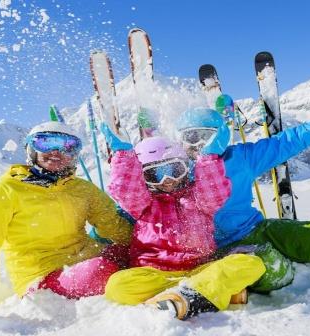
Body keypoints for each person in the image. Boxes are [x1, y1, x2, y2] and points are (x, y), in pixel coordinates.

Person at [174, 97, 310, 298]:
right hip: (220, 249)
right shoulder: (175, 171)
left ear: (218, 135)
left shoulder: (241, 157)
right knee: (275, 268)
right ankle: (235, 280)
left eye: (199, 136)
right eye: (186, 137)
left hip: (257, 229)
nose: (192, 144)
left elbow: (288, 142)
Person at [0, 120, 132, 313]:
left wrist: (151, 232)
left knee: (133, 254)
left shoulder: (82, 189)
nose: (56, 152)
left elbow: (113, 225)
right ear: (31, 150)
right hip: (41, 276)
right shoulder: (7, 190)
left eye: (68, 147)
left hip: (88, 258)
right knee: (100, 271)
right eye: (46, 143)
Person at [99, 123, 267, 320]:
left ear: (185, 168)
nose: (167, 180)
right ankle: (209, 292)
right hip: (155, 274)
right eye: (155, 175)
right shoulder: (144, 204)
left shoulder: (198, 200)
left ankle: (184, 296)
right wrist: (124, 155)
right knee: (117, 285)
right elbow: (126, 191)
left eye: (174, 169)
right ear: (143, 178)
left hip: (200, 269)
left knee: (251, 263)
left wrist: (209, 159)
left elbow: (214, 191)